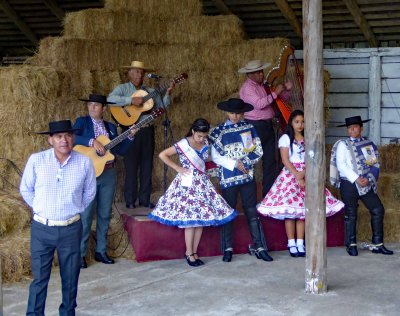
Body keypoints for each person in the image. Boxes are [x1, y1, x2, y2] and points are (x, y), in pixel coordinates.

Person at [20, 120, 96, 316]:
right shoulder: (37, 160)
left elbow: (89, 192)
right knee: (39, 279)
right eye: (59, 136)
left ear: (73, 138)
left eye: (68, 136)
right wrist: (40, 209)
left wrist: (74, 208)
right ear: (50, 140)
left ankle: (67, 313)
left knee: (70, 278)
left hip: (71, 229)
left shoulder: (84, 162)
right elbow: (26, 189)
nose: (64, 140)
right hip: (42, 229)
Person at [148, 118, 237, 266]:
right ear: (193, 131)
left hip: (202, 182)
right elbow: (162, 155)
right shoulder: (184, 144)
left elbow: (206, 157)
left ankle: (195, 252)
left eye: (204, 136)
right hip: (187, 183)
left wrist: (221, 158)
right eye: (199, 136)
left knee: (200, 219)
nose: (202, 139)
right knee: (190, 220)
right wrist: (177, 168)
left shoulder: (206, 142)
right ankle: (188, 253)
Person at [257, 110, 344, 257]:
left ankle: (300, 243)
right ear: (291, 122)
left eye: (303, 122)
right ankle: (291, 243)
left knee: (303, 212)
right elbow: (285, 159)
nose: (300, 125)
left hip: (306, 173)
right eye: (297, 122)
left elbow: (311, 159)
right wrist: (297, 175)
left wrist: (304, 173)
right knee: (291, 212)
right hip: (290, 175)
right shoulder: (285, 138)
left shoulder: (308, 138)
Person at [73, 94, 137, 268]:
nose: (92, 107)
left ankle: (101, 251)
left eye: (96, 105)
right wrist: (91, 141)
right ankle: (80, 254)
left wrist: (130, 136)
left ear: (104, 108)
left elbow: (120, 151)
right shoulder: (82, 122)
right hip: (88, 174)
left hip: (108, 173)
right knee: (85, 216)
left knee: (104, 214)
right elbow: (72, 138)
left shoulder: (110, 127)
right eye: (90, 105)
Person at [209, 98, 273, 262]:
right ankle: (228, 248)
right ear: (226, 113)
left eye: (238, 113)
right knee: (229, 212)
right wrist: (235, 163)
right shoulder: (218, 132)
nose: (235, 116)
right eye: (232, 113)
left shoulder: (249, 128)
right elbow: (216, 156)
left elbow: (257, 150)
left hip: (246, 176)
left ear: (243, 113)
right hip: (228, 178)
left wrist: (244, 162)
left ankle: (259, 246)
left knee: (251, 210)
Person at [108, 60, 174, 209]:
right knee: (131, 165)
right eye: (136, 71)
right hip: (130, 130)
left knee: (147, 165)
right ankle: (130, 200)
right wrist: (130, 100)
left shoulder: (150, 91)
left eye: (142, 72)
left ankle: (144, 199)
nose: (140, 74)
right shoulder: (123, 88)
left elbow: (162, 108)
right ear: (129, 73)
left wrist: (168, 92)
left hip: (147, 130)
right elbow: (110, 100)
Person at [330, 115, 393, 256]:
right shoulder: (343, 144)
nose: (352, 130)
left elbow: (374, 164)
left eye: (355, 127)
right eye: (350, 128)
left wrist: (368, 178)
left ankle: (378, 243)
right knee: (351, 214)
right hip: (349, 183)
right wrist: (357, 178)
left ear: (361, 128)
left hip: (365, 183)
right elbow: (342, 165)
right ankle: (351, 244)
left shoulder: (367, 144)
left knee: (377, 209)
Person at [239, 59, 292, 196]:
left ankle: (268, 196)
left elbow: (279, 100)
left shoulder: (264, 86)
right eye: (257, 72)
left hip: (267, 125)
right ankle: (250, 198)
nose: (261, 74)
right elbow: (260, 104)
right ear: (249, 74)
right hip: (254, 126)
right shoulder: (247, 88)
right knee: (251, 161)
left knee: (270, 161)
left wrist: (286, 90)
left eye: (261, 71)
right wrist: (276, 93)